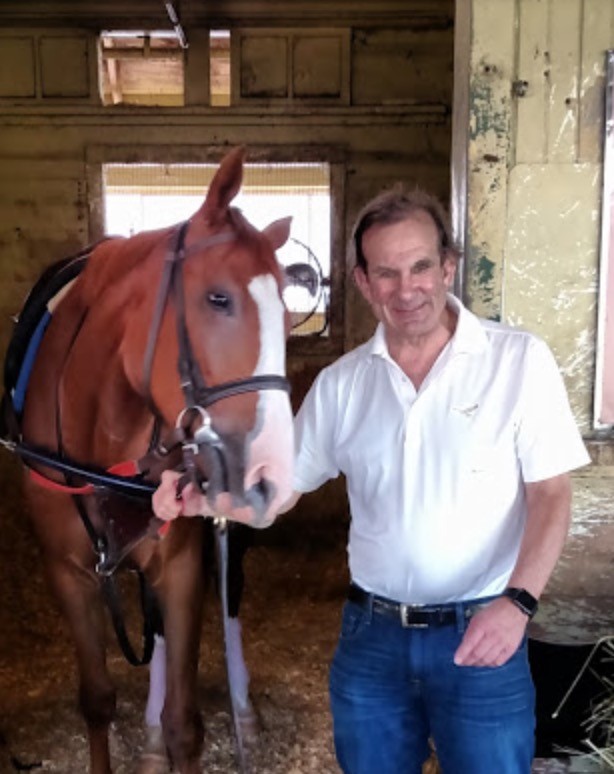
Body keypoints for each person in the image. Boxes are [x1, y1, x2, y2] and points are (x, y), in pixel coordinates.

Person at [153, 186, 590, 774]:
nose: (406, 290)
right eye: (386, 273)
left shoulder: (518, 362)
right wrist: (200, 496)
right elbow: (278, 494)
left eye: (420, 267)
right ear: (361, 283)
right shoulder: (343, 383)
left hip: (485, 631)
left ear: (448, 267)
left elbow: (551, 493)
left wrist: (518, 603)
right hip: (372, 642)